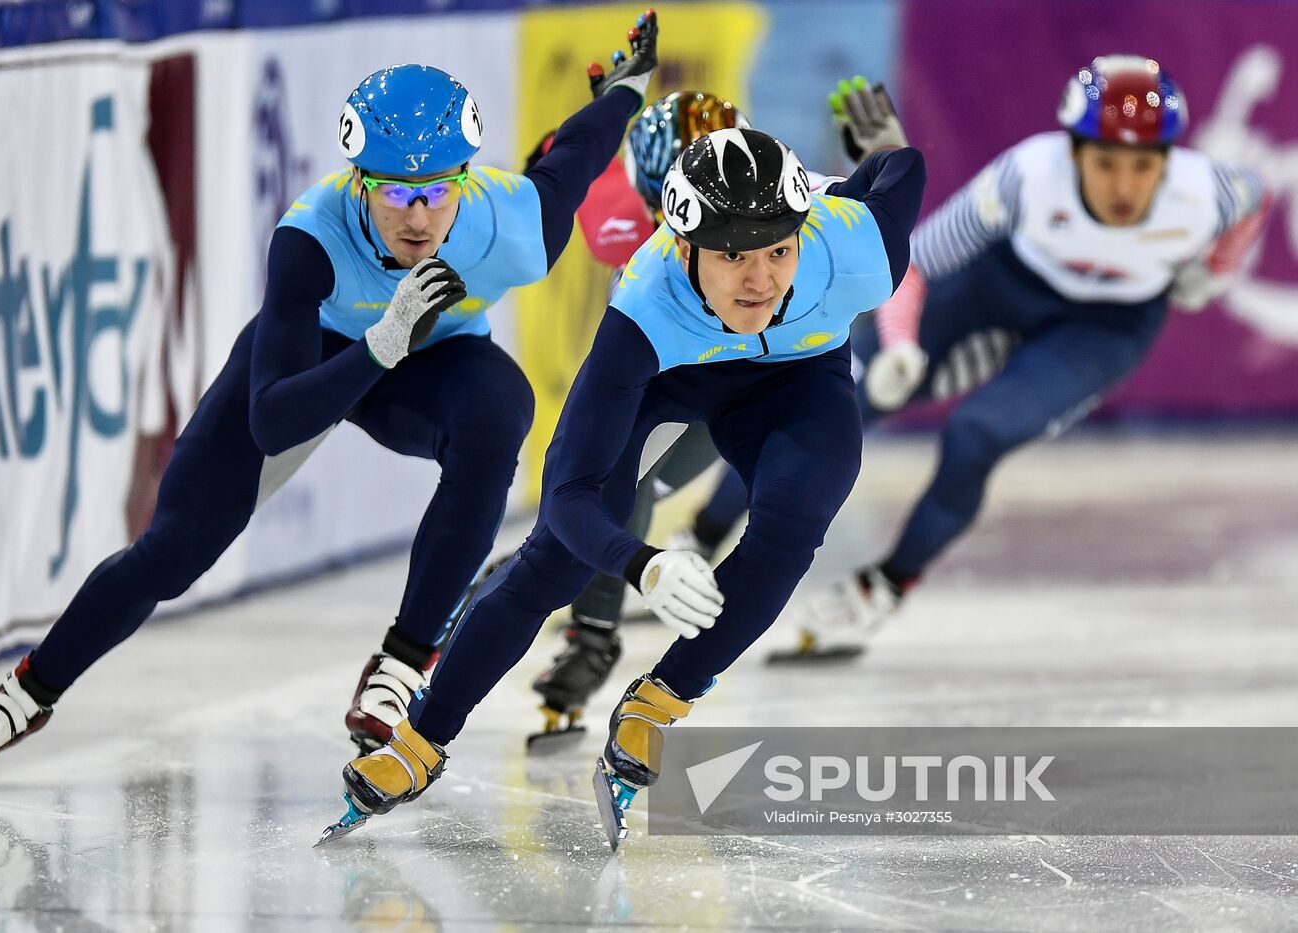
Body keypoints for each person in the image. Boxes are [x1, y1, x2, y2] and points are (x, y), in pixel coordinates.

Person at [0, 11, 663, 787]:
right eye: (395, 193)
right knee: (170, 551)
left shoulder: (514, 226)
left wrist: (626, 91)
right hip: (317, 363)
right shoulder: (311, 234)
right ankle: (28, 689)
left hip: (436, 364)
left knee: (499, 410)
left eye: (437, 191)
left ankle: (404, 658)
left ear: (465, 181)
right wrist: (379, 340)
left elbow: (574, 155)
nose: (418, 215)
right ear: (357, 181)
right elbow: (274, 417)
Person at [317, 79, 925, 848]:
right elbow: (569, 493)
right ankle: (424, 735)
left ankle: (659, 701)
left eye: (778, 249)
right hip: (673, 370)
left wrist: (880, 146)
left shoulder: (857, 251)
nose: (761, 278)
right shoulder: (646, 299)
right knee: (554, 561)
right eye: (733, 255)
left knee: (797, 518)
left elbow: (905, 173)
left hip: (796, 380)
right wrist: (641, 565)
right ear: (681, 244)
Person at [769, 56, 1270, 660]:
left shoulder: (1206, 192)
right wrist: (899, 345)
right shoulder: (1030, 173)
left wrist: (1215, 273)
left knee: (975, 434)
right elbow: (917, 261)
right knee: (842, 393)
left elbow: (1255, 199)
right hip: (1005, 287)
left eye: (1143, 167)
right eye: (1105, 163)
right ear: (1073, 152)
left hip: (1104, 327)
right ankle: (700, 536)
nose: (1123, 187)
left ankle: (884, 587)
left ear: (1168, 163)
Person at [522, 90, 753, 752]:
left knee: (640, 488)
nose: (680, 228)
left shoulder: (776, 200)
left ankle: (596, 631)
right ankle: (588, 633)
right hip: (660, 373)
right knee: (609, 491)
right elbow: (540, 170)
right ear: (641, 189)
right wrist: (590, 122)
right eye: (664, 209)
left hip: (740, 380)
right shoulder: (609, 209)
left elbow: (868, 230)